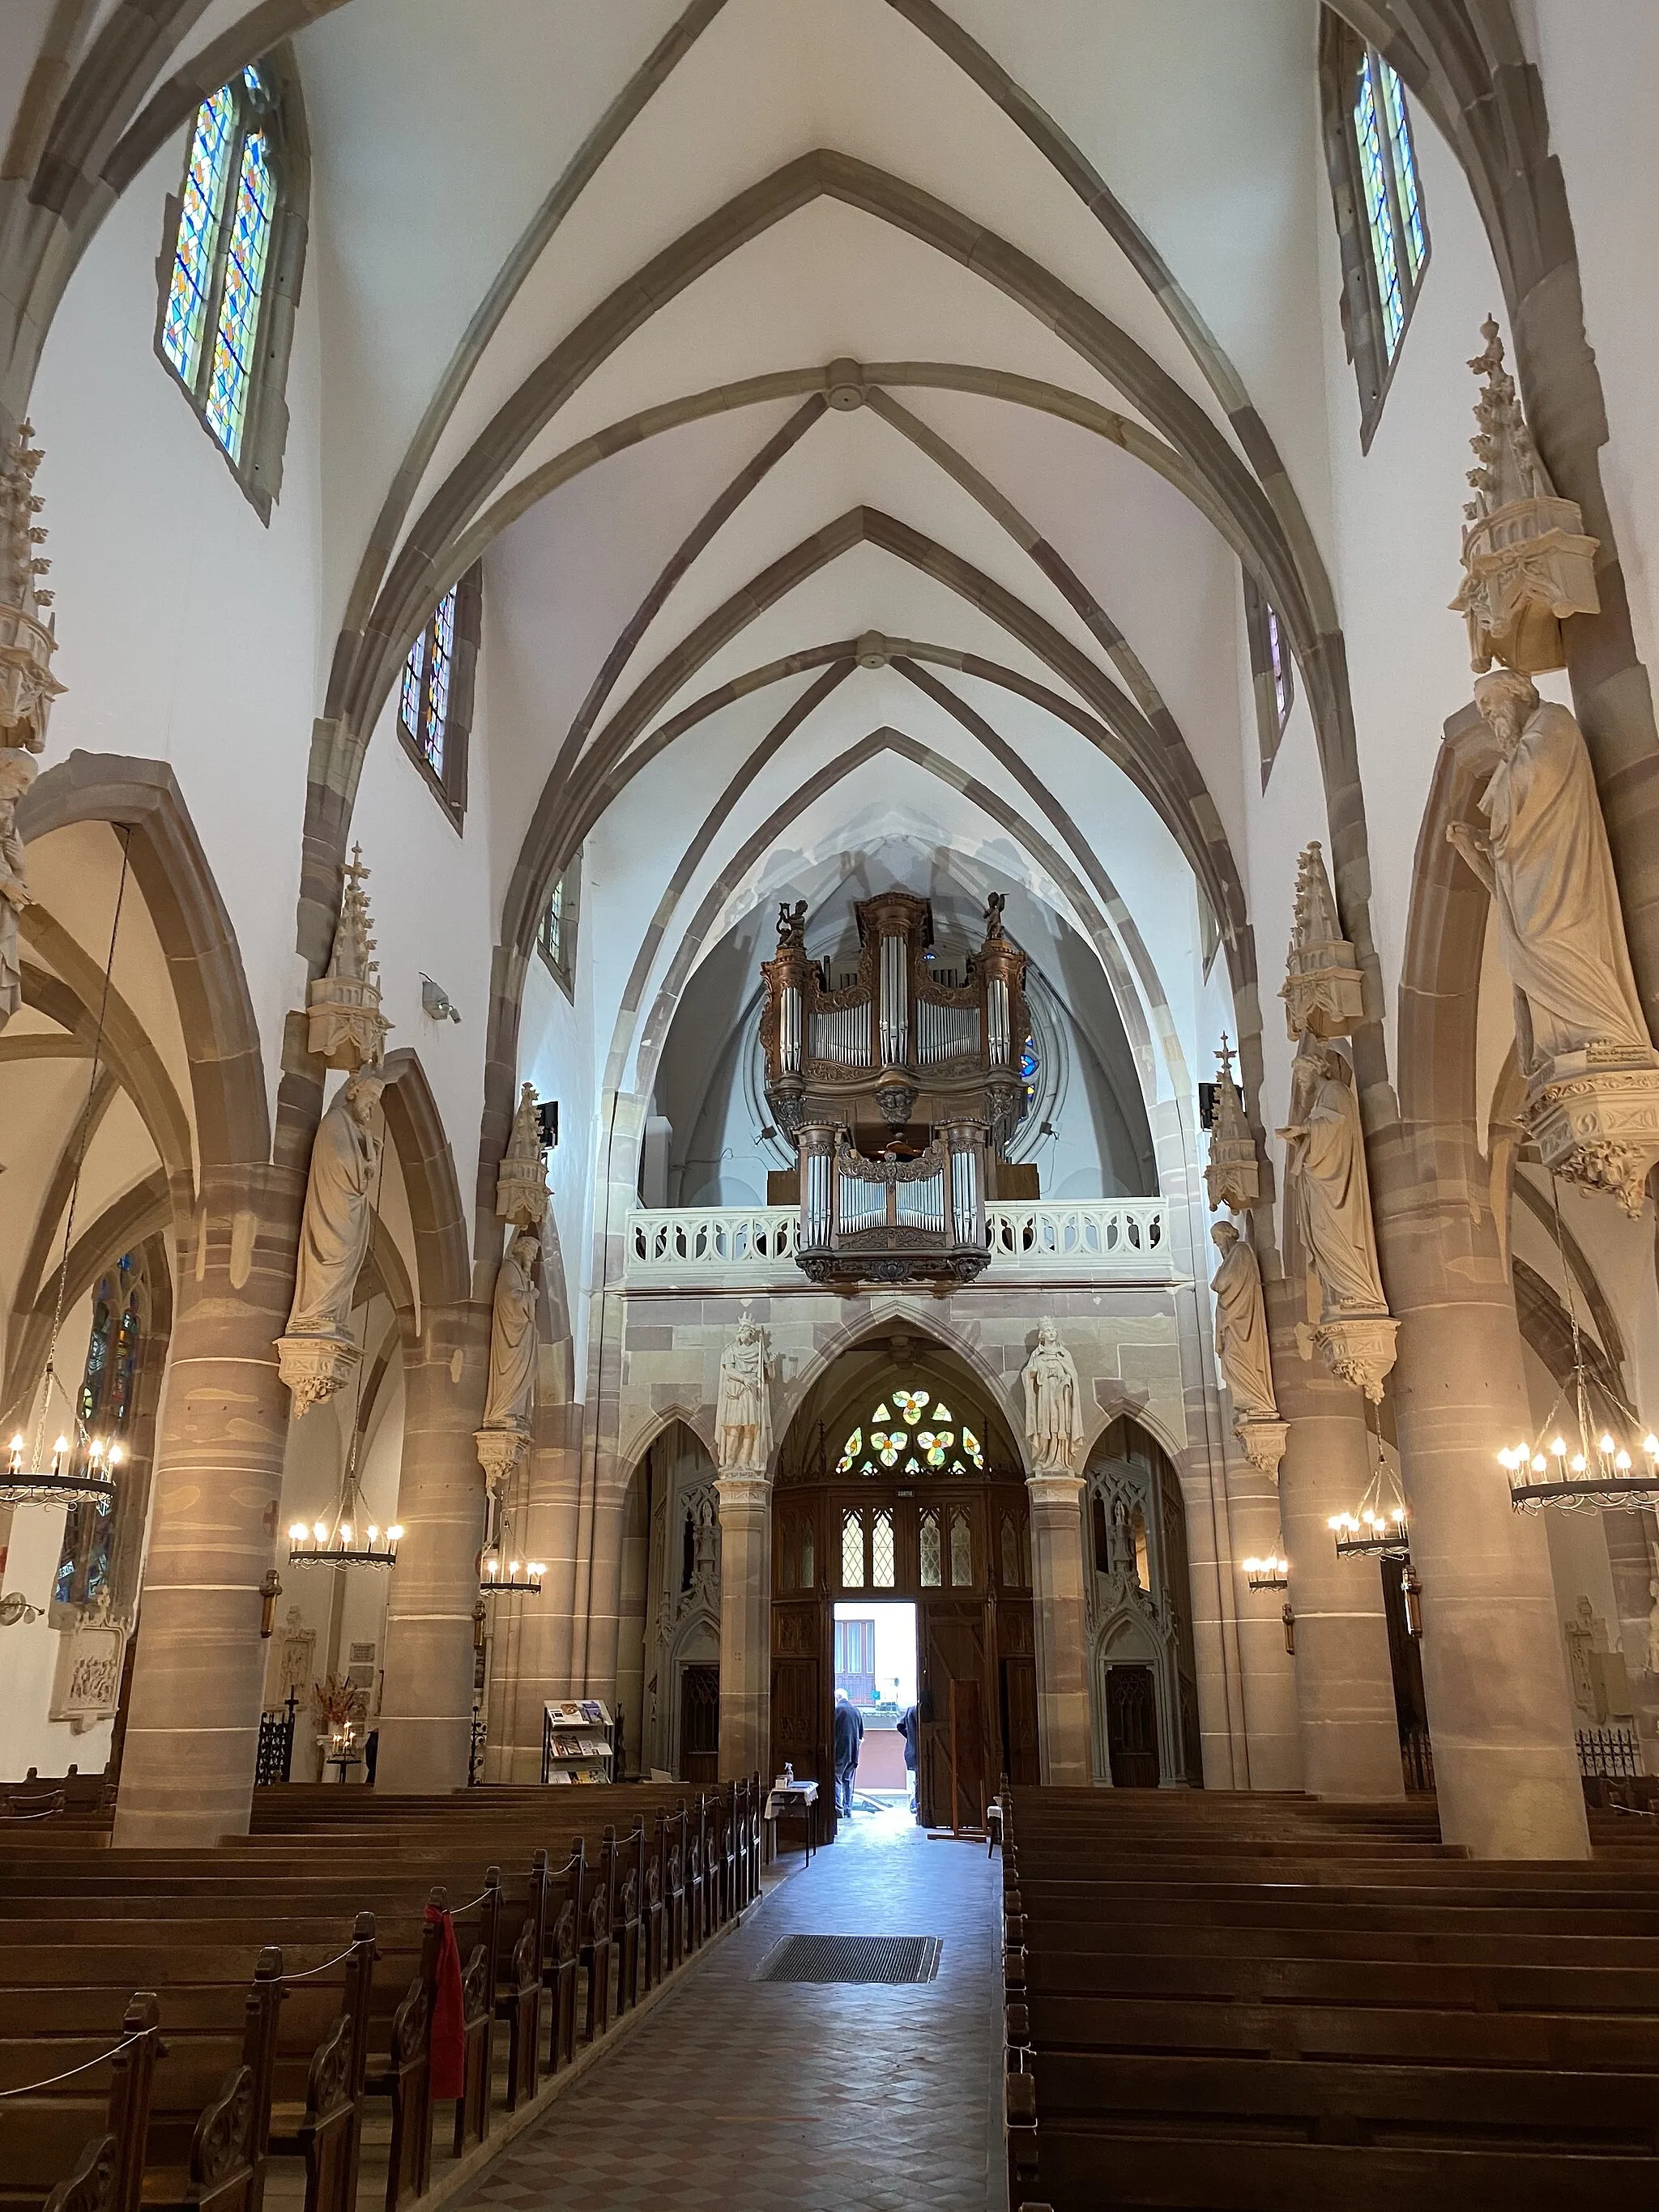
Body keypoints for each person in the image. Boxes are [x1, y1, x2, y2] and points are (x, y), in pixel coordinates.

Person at [832, 1688, 864, 1818]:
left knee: (836, 1780)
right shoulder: (856, 1711)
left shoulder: (837, 1710)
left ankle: (838, 1810)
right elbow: (861, 1734)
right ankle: (848, 1809)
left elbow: (830, 1731)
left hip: (840, 1751)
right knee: (847, 1781)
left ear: (837, 1698)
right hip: (853, 1752)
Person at [898, 1702, 919, 1813]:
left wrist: (910, 1737)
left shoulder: (910, 1710)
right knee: (922, 1780)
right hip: (922, 1750)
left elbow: (899, 1726)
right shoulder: (923, 1710)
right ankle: (919, 1807)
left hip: (912, 1751)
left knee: (917, 1780)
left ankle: (917, 1806)